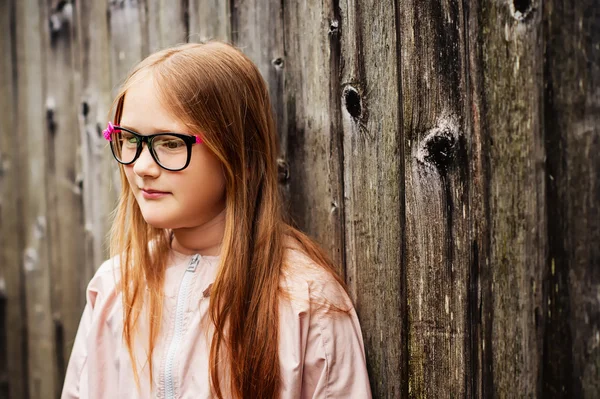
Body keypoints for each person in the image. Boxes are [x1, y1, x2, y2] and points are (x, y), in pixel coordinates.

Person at [61, 41, 372, 399]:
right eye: (129, 139)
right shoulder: (115, 287)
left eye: (171, 143)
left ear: (236, 152)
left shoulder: (306, 302)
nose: (142, 167)